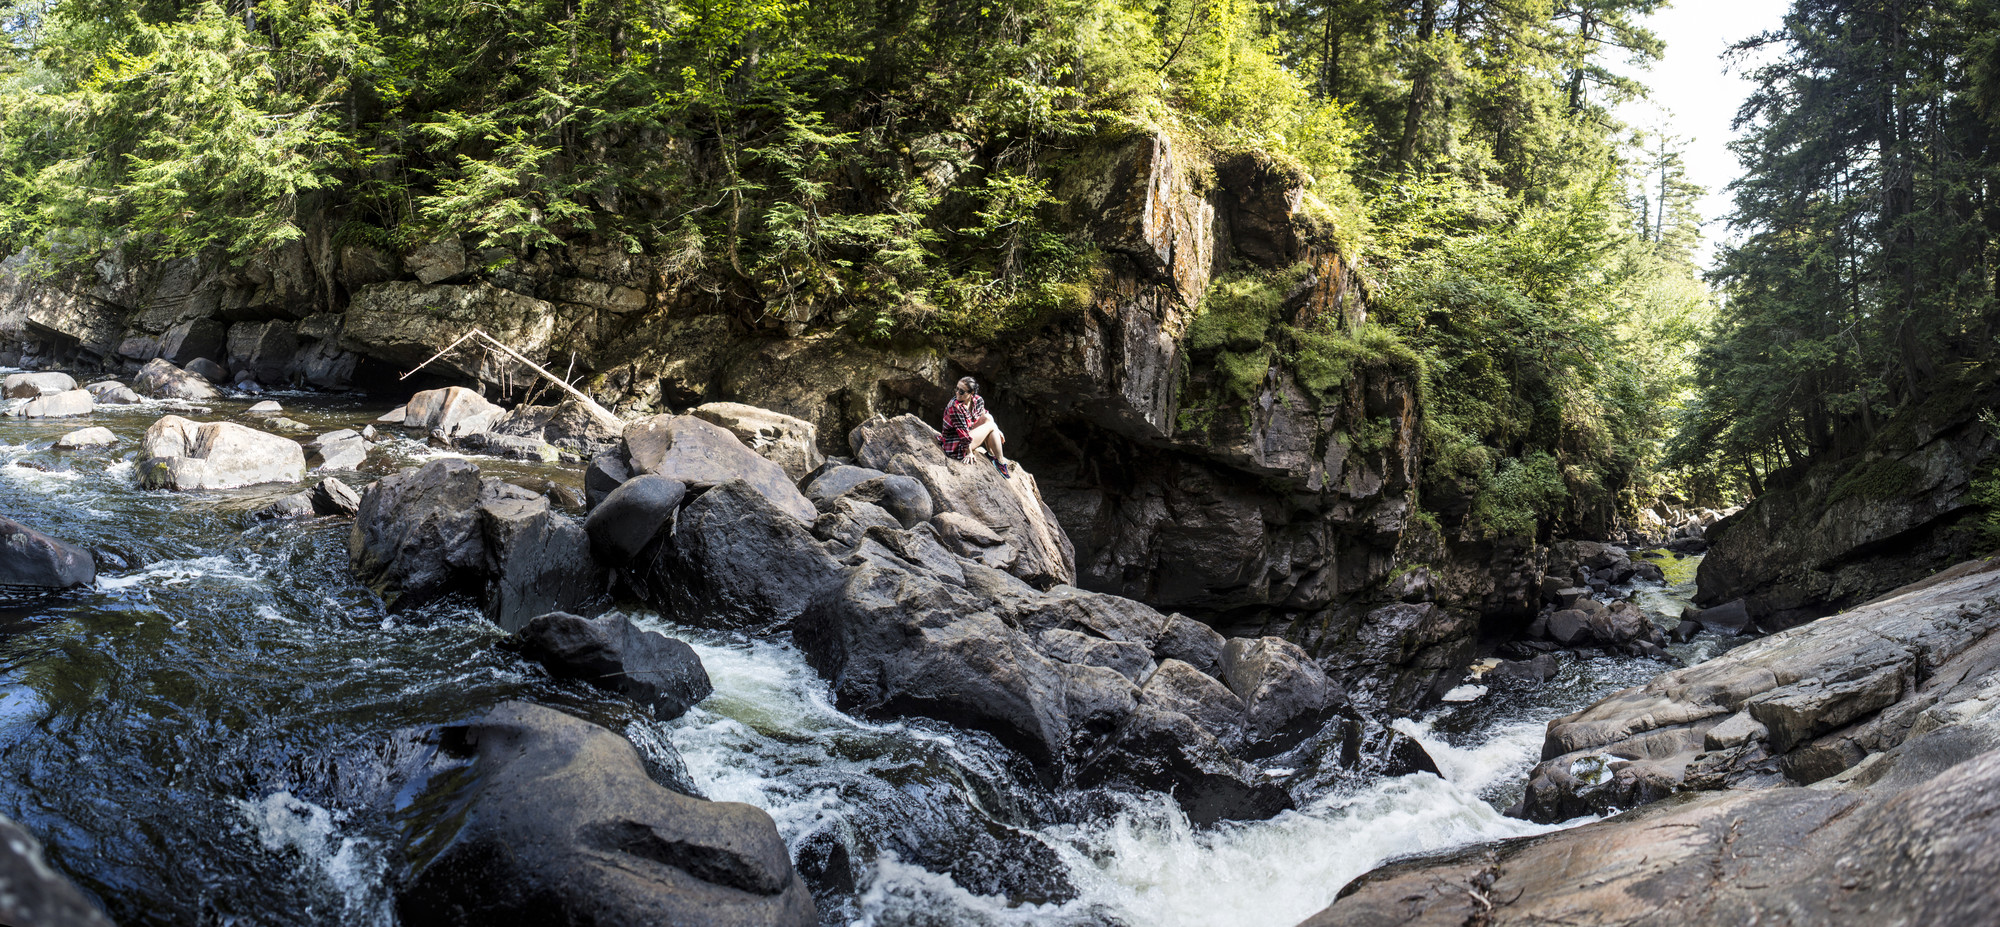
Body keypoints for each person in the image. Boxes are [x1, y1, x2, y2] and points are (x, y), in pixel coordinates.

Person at [939, 376, 1012, 477]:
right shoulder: (955, 407)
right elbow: (962, 432)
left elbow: (983, 414)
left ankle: (991, 455)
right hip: (956, 444)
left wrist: (996, 429)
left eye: (961, 391)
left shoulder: (978, 400)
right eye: (957, 389)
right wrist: (969, 453)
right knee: (991, 425)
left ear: (971, 393)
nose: (957, 393)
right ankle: (1000, 462)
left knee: (988, 417)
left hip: (967, 432)